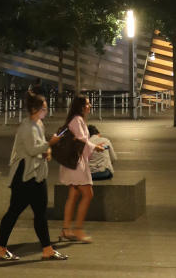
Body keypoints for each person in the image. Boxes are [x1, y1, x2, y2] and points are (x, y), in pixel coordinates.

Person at [0, 91, 66, 262]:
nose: (46, 111)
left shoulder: (38, 124)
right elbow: (32, 149)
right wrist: (50, 144)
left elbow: (39, 147)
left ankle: (47, 249)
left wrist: (47, 150)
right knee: (13, 212)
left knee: (40, 213)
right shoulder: (26, 127)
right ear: (35, 109)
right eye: (44, 108)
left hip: (36, 175)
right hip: (24, 176)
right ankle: (0, 248)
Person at [58, 94, 99, 244]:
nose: (89, 106)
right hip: (76, 164)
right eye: (87, 104)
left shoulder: (75, 120)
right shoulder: (77, 120)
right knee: (88, 194)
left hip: (74, 162)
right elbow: (82, 141)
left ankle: (66, 229)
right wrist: (96, 147)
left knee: (73, 195)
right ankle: (78, 229)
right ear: (81, 106)